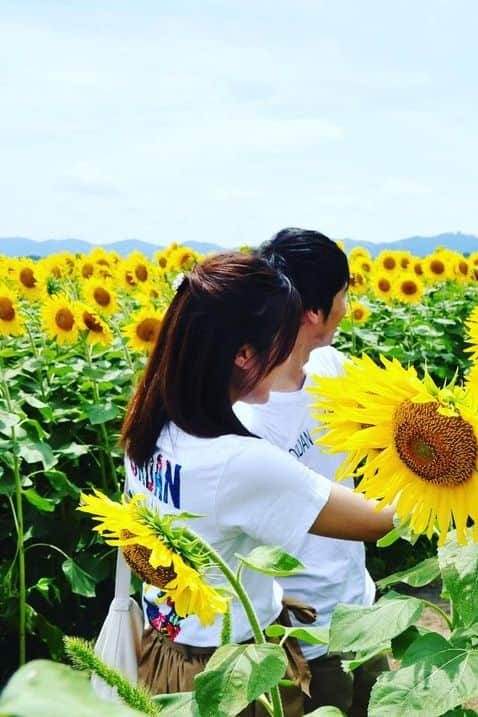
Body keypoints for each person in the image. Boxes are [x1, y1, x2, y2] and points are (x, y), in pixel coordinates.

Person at [120, 251, 394, 716]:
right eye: (284, 342)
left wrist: (258, 589)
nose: (293, 354)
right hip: (235, 670)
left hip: (167, 651)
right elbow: (376, 522)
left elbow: (148, 539)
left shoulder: (152, 424)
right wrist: (463, 455)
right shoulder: (238, 460)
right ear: (244, 354)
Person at [234, 228, 385, 716]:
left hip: (360, 612)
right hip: (303, 640)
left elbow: (398, 425)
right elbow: (374, 520)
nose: (348, 304)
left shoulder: (332, 368)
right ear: (314, 312)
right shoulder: (246, 421)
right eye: (343, 293)